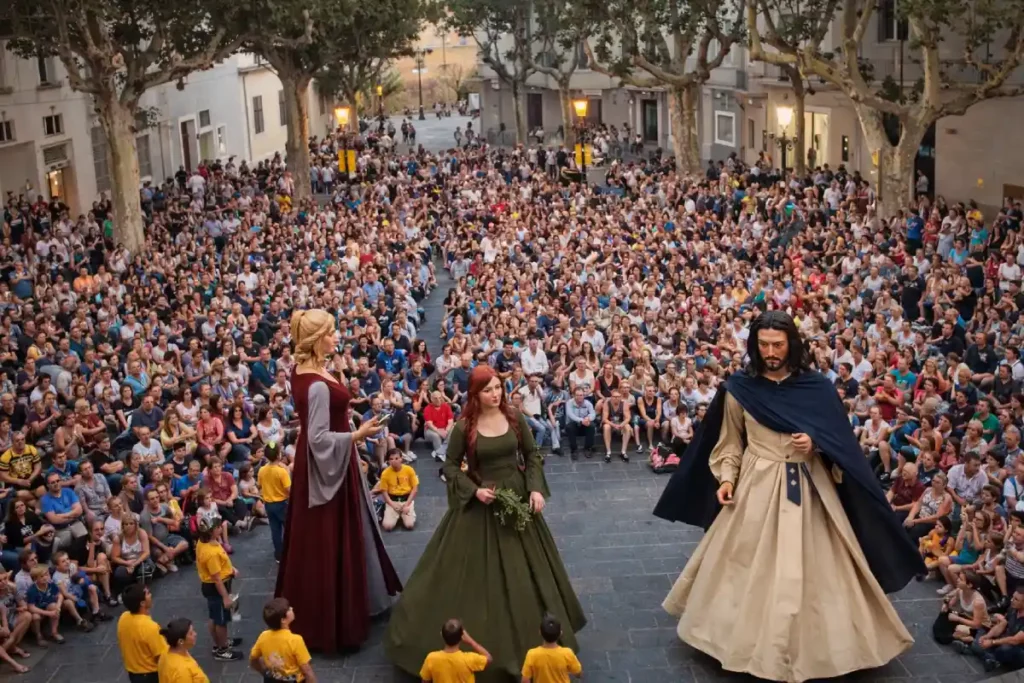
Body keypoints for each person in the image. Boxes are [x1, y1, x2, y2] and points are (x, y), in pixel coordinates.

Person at [654, 311, 923, 681]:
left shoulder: (817, 389)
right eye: (763, 344)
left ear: (792, 344)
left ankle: (823, 648)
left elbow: (839, 442)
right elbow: (730, 443)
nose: (770, 352)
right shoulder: (739, 389)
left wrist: (815, 444)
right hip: (756, 485)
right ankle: (738, 641)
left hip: (810, 485)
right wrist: (727, 479)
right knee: (745, 567)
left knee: (819, 571)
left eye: (777, 344)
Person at [385, 366, 586, 681]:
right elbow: (450, 467)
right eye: (489, 389)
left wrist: (534, 488)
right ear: (475, 394)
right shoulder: (465, 427)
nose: (496, 394)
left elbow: (532, 456)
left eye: (498, 388)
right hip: (482, 503)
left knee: (530, 568)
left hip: (517, 499)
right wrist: (474, 491)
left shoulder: (515, 418)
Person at [275, 310, 401, 653]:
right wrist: (357, 435)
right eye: (331, 333)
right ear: (316, 340)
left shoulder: (304, 371)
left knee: (322, 536)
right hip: (327, 464)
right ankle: (334, 619)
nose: (336, 337)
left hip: (322, 459)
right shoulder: (315, 384)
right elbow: (317, 438)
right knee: (331, 536)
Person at [195, 516, 243, 661]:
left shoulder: (206, 543)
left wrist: (231, 568)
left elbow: (221, 563)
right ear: (211, 531)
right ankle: (221, 650)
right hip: (217, 588)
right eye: (218, 527)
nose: (221, 528)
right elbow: (216, 578)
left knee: (214, 617)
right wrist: (225, 597)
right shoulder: (211, 553)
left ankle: (221, 642)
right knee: (220, 620)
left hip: (214, 585)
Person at [249, 597, 316, 682]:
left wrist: (264, 672)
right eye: (288, 609)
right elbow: (307, 671)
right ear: (283, 620)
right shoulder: (295, 640)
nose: (292, 608)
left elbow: (253, 658)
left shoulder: (263, 636)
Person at [117, 583, 168, 683]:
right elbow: (162, 657)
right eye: (148, 593)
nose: (151, 595)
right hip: (150, 676)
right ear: (142, 603)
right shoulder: (150, 627)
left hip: (133, 673)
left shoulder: (123, 617)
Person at [419, 618, 492, 683]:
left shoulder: (431, 658)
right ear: (462, 637)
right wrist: (471, 641)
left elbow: (425, 681)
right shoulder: (469, 659)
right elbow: (489, 658)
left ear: (441, 634)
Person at [521, 613, 583, 683]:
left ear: (540, 632)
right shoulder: (567, 653)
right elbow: (578, 673)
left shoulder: (532, 654)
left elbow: (525, 680)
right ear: (560, 633)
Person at [258, 443, 290, 562]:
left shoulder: (262, 470)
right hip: (282, 503)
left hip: (269, 504)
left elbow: (260, 484)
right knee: (288, 529)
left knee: (275, 530)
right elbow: (288, 489)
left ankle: (279, 555)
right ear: (278, 455)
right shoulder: (281, 471)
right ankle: (290, 552)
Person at [376, 448, 419, 531]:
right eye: (391, 459)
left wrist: (407, 504)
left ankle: (407, 513)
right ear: (388, 461)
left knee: (409, 525)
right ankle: (392, 513)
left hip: (406, 500)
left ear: (401, 459)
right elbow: (384, 491)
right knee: (387, 526)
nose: (394, 461)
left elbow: (414, 489)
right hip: (393, 500)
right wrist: (392, 504)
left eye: (396, 458)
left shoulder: (409, 470)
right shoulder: (385, 473)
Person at [157, 617, 209, 683]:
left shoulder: (167, 651)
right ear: (181, 641)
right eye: (191, 633)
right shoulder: (182, 672)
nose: (195, 634)